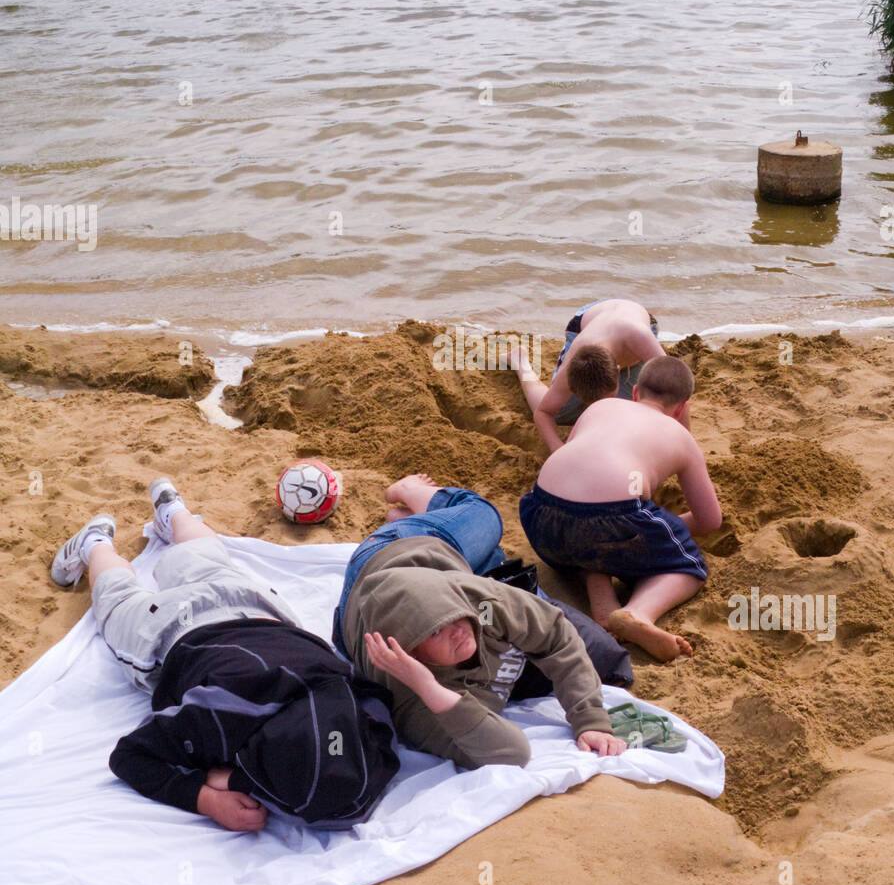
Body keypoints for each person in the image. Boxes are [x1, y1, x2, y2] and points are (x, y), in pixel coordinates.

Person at [50, 479, 399, 832]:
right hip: (172, 627)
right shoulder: (219, 717)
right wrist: (206, 796)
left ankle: (173, 509)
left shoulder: (354, 697)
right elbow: (129, 757)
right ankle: (95, 544)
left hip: (256, 606)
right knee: (119, 601)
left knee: (204, 555)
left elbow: (370, 725)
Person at [335, 475, 627, 769]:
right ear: (412, 654)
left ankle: (410, 493)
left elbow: (555, 633)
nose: (458, 630)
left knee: (484, 512)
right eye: (436, 631)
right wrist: (429, 688)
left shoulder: (480, 605)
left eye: (455, 616)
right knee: (492, 553)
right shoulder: (415, 703)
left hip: (412, 547)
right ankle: (412, 518)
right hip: (374, 577)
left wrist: (590, 719)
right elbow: (512, 753)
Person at [519, 356, 722, 662]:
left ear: (636, 391)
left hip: (541, 515)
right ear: (681, 408)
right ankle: (637, 612)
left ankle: (598, 584)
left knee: (588, 537)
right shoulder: (681, 435)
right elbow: (709, 519)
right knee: (690, 566)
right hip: (611, 515)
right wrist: (655, 534)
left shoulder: (600, 407)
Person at [512, 298, 677, 452]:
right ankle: (521, 362)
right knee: (561, 415)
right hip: (588, 320)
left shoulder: (640, 337)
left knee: (625, 417)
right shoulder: (575, 360)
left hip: (634, 323)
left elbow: (677, 387)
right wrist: (560, 451)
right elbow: (543, 412)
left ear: (618, 370)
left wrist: (681, 443)